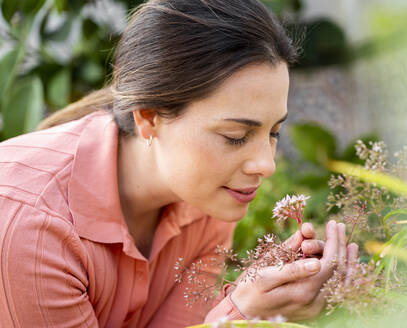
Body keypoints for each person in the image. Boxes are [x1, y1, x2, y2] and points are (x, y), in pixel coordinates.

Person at [0, 0, 358, 327]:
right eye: (235, 136)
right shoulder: (34, 230)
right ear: (148, 118)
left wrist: (258, 300)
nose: (266, 165)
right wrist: (241, 313)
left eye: (274, 132)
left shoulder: (207, 201)